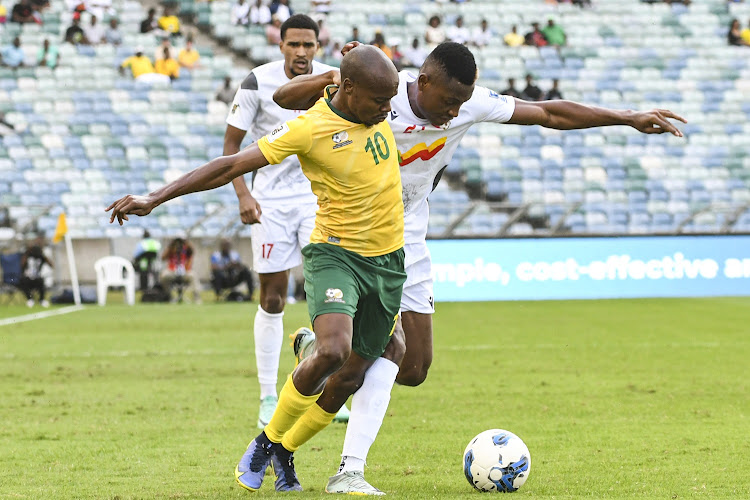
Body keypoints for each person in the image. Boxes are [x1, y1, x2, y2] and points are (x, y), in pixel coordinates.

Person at [273, 40, 686, 494]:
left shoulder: (468, 105)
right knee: (382, 352)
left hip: (408, 236)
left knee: (414, 367)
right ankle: (348, 468)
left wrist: (626, 117)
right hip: (354, 236)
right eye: (449, 102)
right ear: (423, 82)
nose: (453, 113)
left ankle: (321, 353)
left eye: (461, 104)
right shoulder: (378, 90)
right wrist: (331, 76)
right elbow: (287, 98)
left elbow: (549, 114)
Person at [106, 44, 403, 494]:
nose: (388, 109)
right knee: (334, 350)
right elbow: (230, 164)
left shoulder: (373, 100)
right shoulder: (310, 129)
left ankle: (287, 450)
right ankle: (265, 443)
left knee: (353, 374)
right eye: (380, 101)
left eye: (392, 98)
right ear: (348, 88)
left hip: (388, 260)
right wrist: (155, 197)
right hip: (336, 253)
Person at [222, 14, 345, 429]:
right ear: (281, 46)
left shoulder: (334, 83)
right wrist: (244, 195)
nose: (301, 52)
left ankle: (328, 388)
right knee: (273, 298)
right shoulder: (257, 82)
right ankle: (267, 396)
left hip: (317, 199)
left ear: (317, 46)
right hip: (270, 203)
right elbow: (230, 148)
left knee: (328, 295)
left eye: (308, 45)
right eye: (294, 45)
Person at [160, 236, 201, 303]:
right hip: (172, 271)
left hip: (185, 271)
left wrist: (185, 241)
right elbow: (163, 258)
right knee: (164, 275)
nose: (179, 244)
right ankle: (169, 296)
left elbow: (192, 251)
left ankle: (196, 298)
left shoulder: (187, 249)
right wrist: (171, 244)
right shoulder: (171, 249)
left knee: (193, 276)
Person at [20, 236, 53, 308]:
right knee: (22, 281)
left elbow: (51, 265)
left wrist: (43, 256)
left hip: (37, 278)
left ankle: (42, 300)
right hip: (28, 278)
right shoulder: (27, 255)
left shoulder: (41, 256)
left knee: (41, 281)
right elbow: (22, 265)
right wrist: (27, 252)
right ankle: (30, 300)